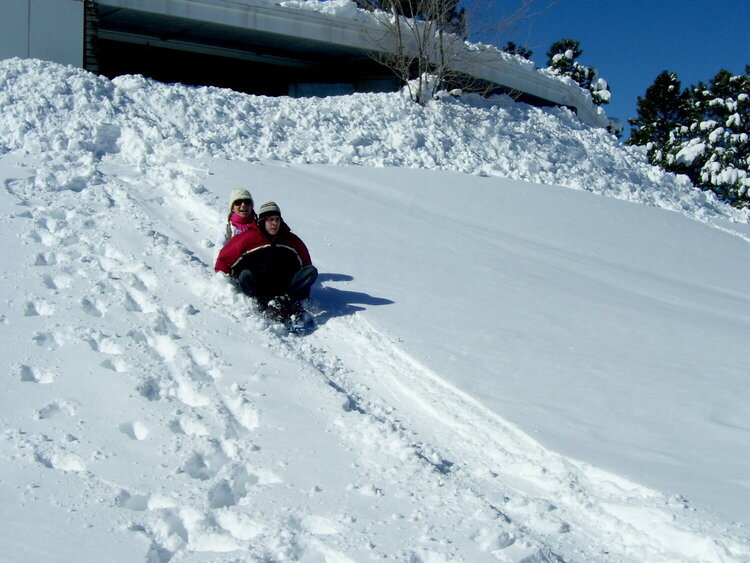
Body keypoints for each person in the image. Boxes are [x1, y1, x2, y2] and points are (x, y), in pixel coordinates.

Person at [214, 201, 318, 323]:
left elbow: (305, 264)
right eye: (270, 219)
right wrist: (223, 284)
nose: (275, 223)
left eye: (277, 219)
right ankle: (264, 304)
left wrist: (303, 294)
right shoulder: (247, 239)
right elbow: (224, 259)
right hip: (259, 285)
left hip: (284, 286)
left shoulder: (291, 240)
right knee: (245, 275)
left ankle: (287, 302)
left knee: (311, 271)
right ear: (263, 221)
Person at [214, 188, 257, 261]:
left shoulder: (259, 227)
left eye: (247, 202)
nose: (243, 205)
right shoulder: (227, 230)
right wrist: (221, 272)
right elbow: (219, 256)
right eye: (238, 202)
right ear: (232, 207)